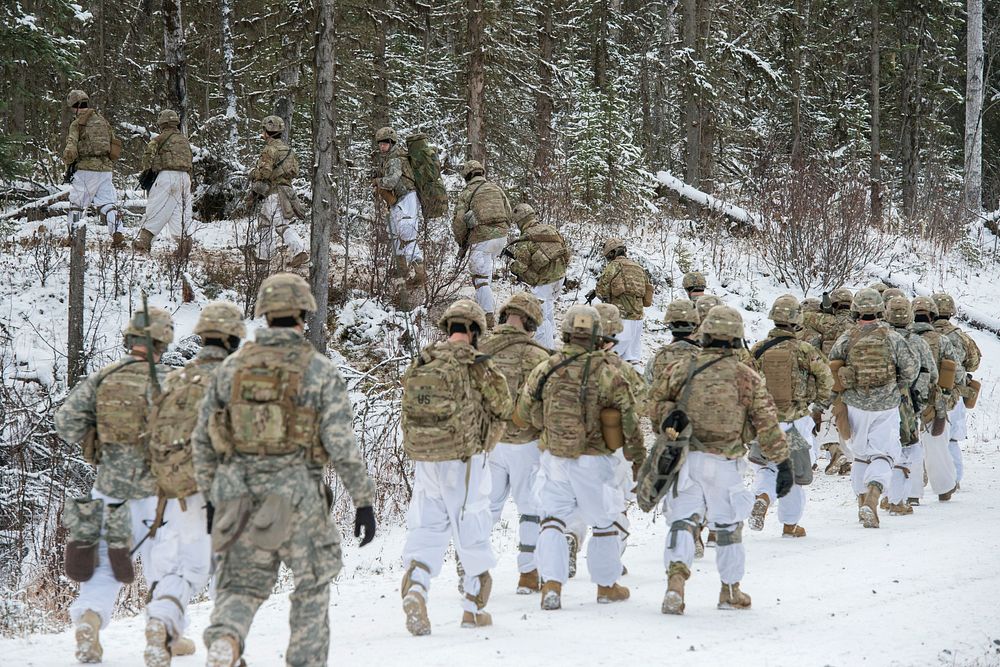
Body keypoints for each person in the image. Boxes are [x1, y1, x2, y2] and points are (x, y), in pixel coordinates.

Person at [190, 273, 375, 667]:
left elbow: (202, 439)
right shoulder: (319, 370)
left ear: (263, 315)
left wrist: (210, 495)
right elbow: (341, 442)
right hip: (296, 495)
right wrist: (363, 500)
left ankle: (226, 638)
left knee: (239, 585)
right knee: (312, 585)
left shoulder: (230, 369)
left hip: (237, 491)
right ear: (303, 314)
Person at [648, 305, 790, 614]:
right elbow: (766, 423)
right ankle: (729, 591)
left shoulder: (681, 369)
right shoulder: (746, 377)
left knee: (682, 522)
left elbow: (655, 404)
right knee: (728, 528)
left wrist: (668, 418)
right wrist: (782, 463)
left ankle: (675, 584)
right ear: (738, 338)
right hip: (726, 463)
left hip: (686, 460)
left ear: (706, 334)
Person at [55, 307, 175, 663]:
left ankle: (89, 622)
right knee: (165, 568)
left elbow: (66, 424)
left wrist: (95, 434)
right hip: (159, 495)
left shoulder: (102, 379)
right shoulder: (175, 381)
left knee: (104, 566)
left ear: (130, 339)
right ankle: (161, 635)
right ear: (162, 342)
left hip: (108, 489)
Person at [513, 305, 644, 611]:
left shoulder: (546, 367)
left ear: (567, 332)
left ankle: (552, 586)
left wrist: (543, 421)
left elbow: (521, 414)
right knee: (604, 524)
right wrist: (637, 458)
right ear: (598, 335)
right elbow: (629, 421)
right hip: (595, 460)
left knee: (553, 522)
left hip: (554, 457)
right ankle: (606, 586)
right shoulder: (609, 371)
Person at [399, 299, 512, 634]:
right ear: (475, 330)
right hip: (464, 458)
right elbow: (503, 404)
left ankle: (416, 587)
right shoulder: (477, 364)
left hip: (426, 458)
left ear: (449, 328)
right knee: (471, 524)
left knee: (428, 526)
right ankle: (473, 607)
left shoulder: (424, 359)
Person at [142, 301, 245, 666]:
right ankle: (223, 643)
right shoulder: (235, 378)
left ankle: (162, 622)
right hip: (225, 490)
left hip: (179, 490)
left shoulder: (176, 379)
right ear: (233, 338)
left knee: (185, 569)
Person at [478, 293, 551, 594]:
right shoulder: (537, 355)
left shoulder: (482, 349)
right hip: (525, 443)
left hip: (490, 442)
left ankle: (474, 569)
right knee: (531, 508)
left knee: (486, 508)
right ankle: (528, 572)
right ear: (531, 322)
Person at [828, 288, 919, 528]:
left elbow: (833, 365)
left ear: (856, 310)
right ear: (881, 310)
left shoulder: (848, 337)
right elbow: (910, 369)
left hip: (855, 404)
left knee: (861, 455)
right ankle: (873, 495)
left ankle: (861, 503)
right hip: (886, 405)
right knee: (884, 454)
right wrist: (895, 385)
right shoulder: (892, 337)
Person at [748, 295, 832, 538]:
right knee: (794, 473)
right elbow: (826, 379)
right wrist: (818, 406)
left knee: (766, 466)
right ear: (797, 321)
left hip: (764, 423)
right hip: (795, 422)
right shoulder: (805, 350)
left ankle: (763, 497)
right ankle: (789, 524)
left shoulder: (757, 349)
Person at [594, 303, 647, 570]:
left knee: (567, 503)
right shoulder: (623, 370)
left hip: (570, 447)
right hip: (612, 447)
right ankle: (613, 554)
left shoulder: (565, 363)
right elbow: (638, 409)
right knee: (617, 503)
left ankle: (569, 536)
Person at [881, 296, 935, 516]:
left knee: (881, 449)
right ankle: (902, 497)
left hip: (878, 401)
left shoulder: (879, 338)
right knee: (908, 449)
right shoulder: (918, 342)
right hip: (908, 402)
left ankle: (882, 494)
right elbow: (932, 373)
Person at [909, 297, 965, 503]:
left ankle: (912, 492)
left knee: (910, 446)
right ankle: (943, 488)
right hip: (935, 402)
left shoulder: (902, 337)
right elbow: (956, 372)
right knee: (937, 446)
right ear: (932, 315)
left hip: (906, 401)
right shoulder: (942, 340)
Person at [932, 292, 981, 496]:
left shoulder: (925, 334)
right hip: (955, 392)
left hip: (928, 393)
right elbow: (974, 362)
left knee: (929, 437)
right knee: (952, 440)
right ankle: (954, 479)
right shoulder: (961, 336)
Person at [452, 160, 512, 328]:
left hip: (481, 238)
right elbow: (508, 212)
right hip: (501, 238)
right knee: (485, 274)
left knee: (480, 278)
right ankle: (483, 309)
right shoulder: (496, 188)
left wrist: (461, 241)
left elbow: (459, 221)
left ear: (467, 176)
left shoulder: (467, 192)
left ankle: (487, 316)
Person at [62, 89, 124, 247]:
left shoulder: (78, 123)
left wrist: (67, 163)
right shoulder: (103, 121)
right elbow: (114, 143)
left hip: (86, 169)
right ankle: (117, 232)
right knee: (108, 204)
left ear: (74, 106)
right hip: (105, 169)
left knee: (77, 204)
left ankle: (74, 236)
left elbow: (71, 148)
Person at [506, 203, 570, 349]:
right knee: (548, 308)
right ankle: (552, 336)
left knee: (540, 317)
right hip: (559, 277)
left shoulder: (525, 238)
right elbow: (566, 251)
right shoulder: (550, 229)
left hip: (544, 282)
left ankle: (546, 349)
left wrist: (513, 267)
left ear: (520, 221)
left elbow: (521, 267)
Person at [247, 116, 309, 269]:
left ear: (267, 132)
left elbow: (265, 173)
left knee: (278, 224)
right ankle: (263, 256)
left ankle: (299, 250)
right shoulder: (289, 150)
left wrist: (254, 173)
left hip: (273, 192)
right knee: (265, 223)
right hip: (286, 191)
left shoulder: (269, 150)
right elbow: (295, 171)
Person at [133, 109, 196, 258]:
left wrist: (147, 174)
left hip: (166, 176)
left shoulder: (159, 139)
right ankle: (184, 243)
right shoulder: (184, 140)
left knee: (156, 207)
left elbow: (147, 159)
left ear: (162, 123)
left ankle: (144, 241)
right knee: (180, 212)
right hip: (185, 178)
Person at [373, 126, 425, 288]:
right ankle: (402, 268)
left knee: (407, 234)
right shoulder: (389, 158)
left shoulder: (395, 158)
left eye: (385, 143)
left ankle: (420, 272)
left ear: (392, 142)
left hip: (407, 198)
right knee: (394, 233)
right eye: (380, 143)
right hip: (398, 200)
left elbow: (392, 180)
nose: (382, 146)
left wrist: (378, 182)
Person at [593, 238, 652, 365]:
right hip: (638, 318)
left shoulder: (614, 266)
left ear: (611, 253)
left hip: (621, 317)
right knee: (633, 359)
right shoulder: (639, 267)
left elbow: (601, 290)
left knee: (612, 358)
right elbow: (647, 295)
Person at [646, 299, 702, 384]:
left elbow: (647, 391)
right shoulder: (703, 357)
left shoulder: (657, 358)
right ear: (695, 324)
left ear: (669, 325)